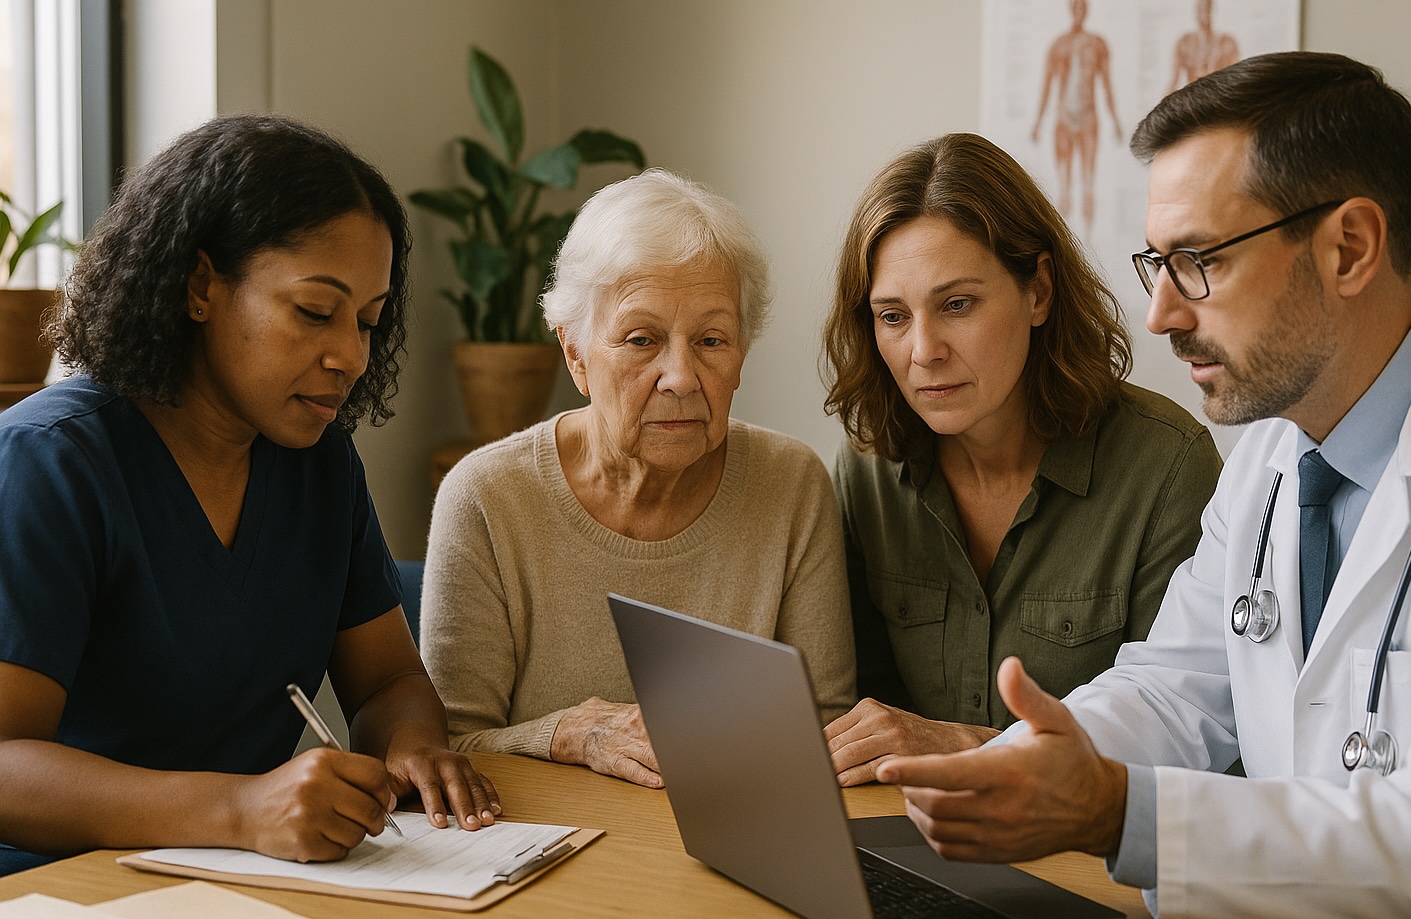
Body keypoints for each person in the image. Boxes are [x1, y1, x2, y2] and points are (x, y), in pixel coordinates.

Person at [879, 53, 1411, 919]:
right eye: (1157, 264)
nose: (1160, 314)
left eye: (1201, 261)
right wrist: (1031, 760)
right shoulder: (1276, 447)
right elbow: (1179, 681)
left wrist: (1113, 810)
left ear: (1349, 247)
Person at [0, 115, 499, 877]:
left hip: (231, 881)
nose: (350, 357)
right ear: (200, 285)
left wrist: (413, 748)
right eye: (313, 312)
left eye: (369, 322)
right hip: (53, 897)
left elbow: (389, 680)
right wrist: (241, 811)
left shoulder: (318, 463)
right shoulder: (50, 464)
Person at [425, 169, 855, 789]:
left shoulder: (793, 486)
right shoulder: (487, 498)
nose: (680, 376)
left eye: (712, 339)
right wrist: (570, 735)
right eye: (640, 339)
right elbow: (450, 751)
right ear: (575, 353)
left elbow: (824, 730)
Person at [821, 132, 1220, 787]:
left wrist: (970, 748)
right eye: (893, 316)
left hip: (1088, 862)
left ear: (1038, 292)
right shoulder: (867, 469)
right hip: (908, 841)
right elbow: (858, 709)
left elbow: (1191, 732)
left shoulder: (1165, 467)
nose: (923, 350)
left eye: (957, 305)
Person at [1031, 0, 1122, 230]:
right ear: (1071, 10)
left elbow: (1106, 85)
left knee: (1088, 182)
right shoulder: (1059, 46)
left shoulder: (1096, 44)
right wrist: (1038, 122)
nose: (1079, 12)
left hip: (1088, 116)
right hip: (1063, 118)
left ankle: (1089, 239)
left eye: (1083, 8)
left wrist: (1116, 121)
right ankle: (1066, 246)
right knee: (1064, 187)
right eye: (1076, 7)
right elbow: (1046, 87)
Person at [1166, 0, 1239, 94]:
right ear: (1195, 11)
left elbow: (1236, 79)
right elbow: (1174, 80)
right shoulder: (1184, 43)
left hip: (1219, 98)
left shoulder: (1226, 42)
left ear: (1213, 10)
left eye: (1207, 8)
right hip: (1194, 100)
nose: (1204, 13)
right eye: (1201, 8)